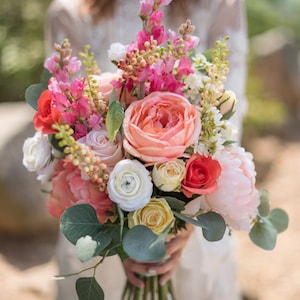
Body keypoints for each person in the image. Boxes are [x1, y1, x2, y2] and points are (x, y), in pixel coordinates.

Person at [45, 0, 248, 299]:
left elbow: (228, 119)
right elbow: (67, 121)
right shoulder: (69, 11)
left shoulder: (220, 5)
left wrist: (188, 219)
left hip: (194, 215)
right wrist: (122, 239)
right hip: (102, 215)